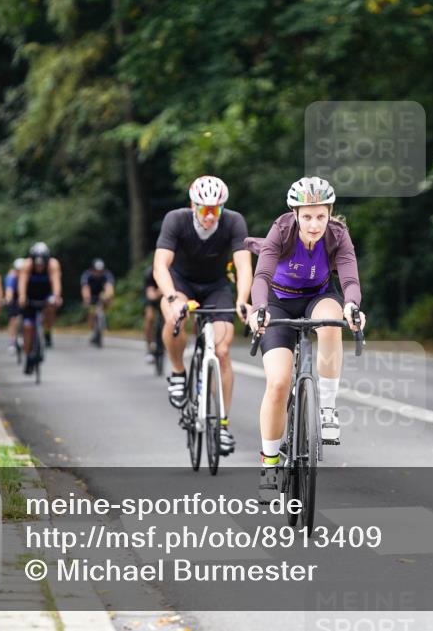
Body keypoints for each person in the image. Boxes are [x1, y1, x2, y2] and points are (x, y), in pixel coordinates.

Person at [247, 176, 366, 501]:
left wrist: (353, 306)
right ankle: (269, 462)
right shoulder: (282, 230)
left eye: (321, 216)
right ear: (296, 214)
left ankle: (326, 407)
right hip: (278, 302)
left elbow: (349, 277)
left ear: (330, 214)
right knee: (278, 383)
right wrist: (260, 309)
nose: (314, 224)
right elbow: (262, 276)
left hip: (318, 297)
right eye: (307, 216)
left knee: (332, 321)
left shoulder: (338, 235)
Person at [153, 176, 253, 455]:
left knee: (222, 352)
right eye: (204, 209)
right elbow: (161, 264)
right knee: (174, 317)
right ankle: (177, 371)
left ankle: (221, 426)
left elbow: (244, 267)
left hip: (216, 287)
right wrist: (172, 298)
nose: (210, 215)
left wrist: (243, 300)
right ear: (193, 205)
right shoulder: (176, 220)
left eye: (216, 209)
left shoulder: (234, 222)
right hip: (181, 284)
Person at [18, 242, 63, 375]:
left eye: (42, 264)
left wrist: (56, 296)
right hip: (30, 296)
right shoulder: (26, 265)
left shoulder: (53, 265)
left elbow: (56, 282)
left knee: (51, 307)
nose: (39, 266)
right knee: (27, 327)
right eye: (37, 264)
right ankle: (28, 355)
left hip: (45, 294)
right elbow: (22, 282)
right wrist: (21, 296)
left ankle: (47, 332)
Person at [80, 258, 115, 345]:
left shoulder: (107, 275)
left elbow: (109, 287)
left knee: (105, 302)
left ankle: (103, 320)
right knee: (91, 312)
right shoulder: (87, 275)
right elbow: (85, 288)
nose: (98, 272)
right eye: (96, 270)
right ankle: (92, 330)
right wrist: (86, 298)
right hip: (91, 295)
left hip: (101, 295)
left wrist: (108, 296)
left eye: (100, 271)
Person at [143, 266, 163, 364]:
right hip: (153, 300)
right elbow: (151, 295)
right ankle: (149, 348)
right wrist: (160, 291)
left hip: (167, 298)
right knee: (149, 318)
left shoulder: (174, 271)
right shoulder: (150, 273)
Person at [4, 258, 25, 353]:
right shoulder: (11, 277)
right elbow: (9, 291)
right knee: (13, 319)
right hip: (14, 297)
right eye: (18, 271)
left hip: (25, 297)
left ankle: (24, 337)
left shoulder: (27, 276)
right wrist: (8, 299)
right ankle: (11, 342)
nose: (20, 273)